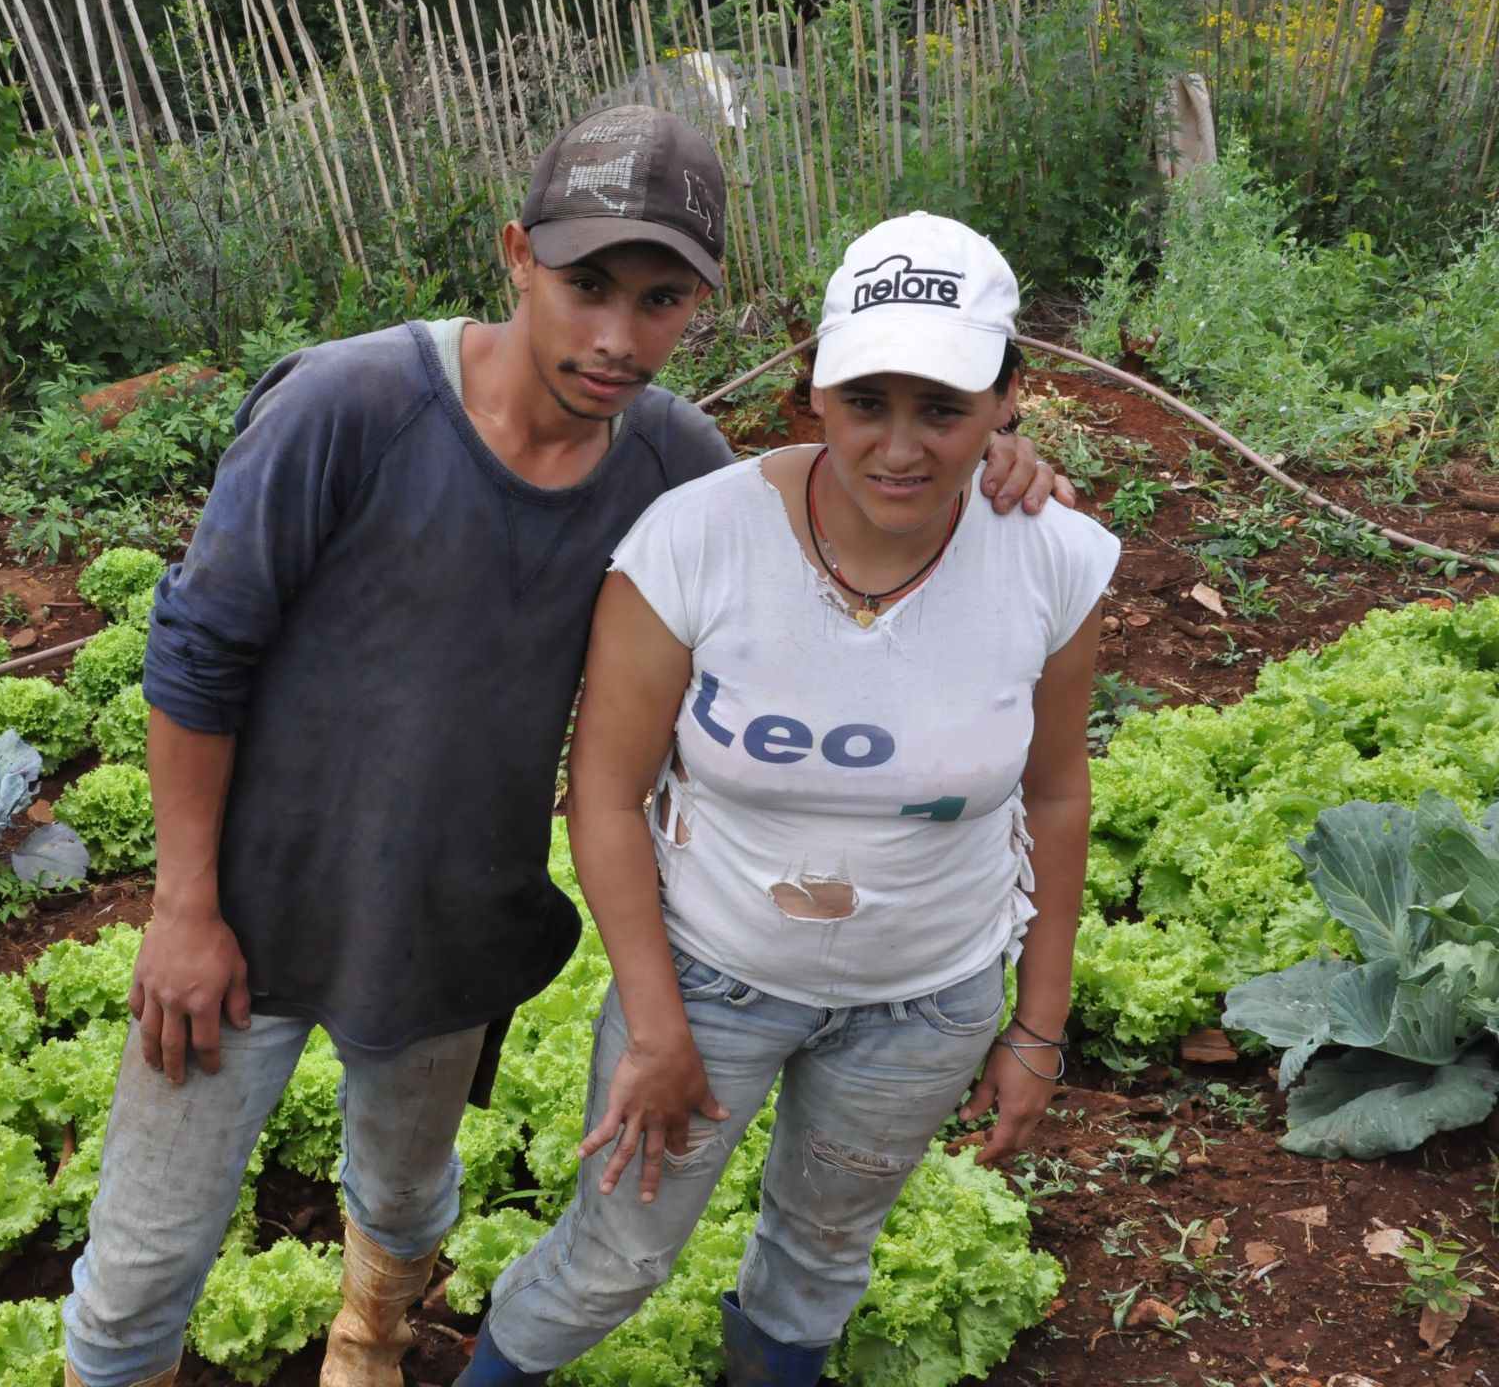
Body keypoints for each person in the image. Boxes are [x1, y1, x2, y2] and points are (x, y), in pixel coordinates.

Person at [60, 111, 1072, 1387]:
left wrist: (992, 461)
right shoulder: (351, 405)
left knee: (406, 1193)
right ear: (515, 258)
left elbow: (842, 489)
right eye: (584, 284)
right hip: (240, 922)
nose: (615, 336)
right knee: (138, 1271)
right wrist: (184, 904)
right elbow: (196, 652)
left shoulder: (669, 463)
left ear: (697, 306)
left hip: (447, 925)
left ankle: (367, 1342)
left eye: (660, 300)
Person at [451, 212, 1117, 1387]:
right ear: (811, 387)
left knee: (819, 1259)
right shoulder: (697, 541)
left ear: (1010, 398)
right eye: (866, 401)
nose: (899, 447)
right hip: (708, 981)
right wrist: (655, 1026)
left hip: (927, 1001)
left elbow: (1056, 796)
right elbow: (600, 799)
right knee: (613, 1254)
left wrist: (1035, 1026)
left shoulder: (1049, 558)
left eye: (943, 409)